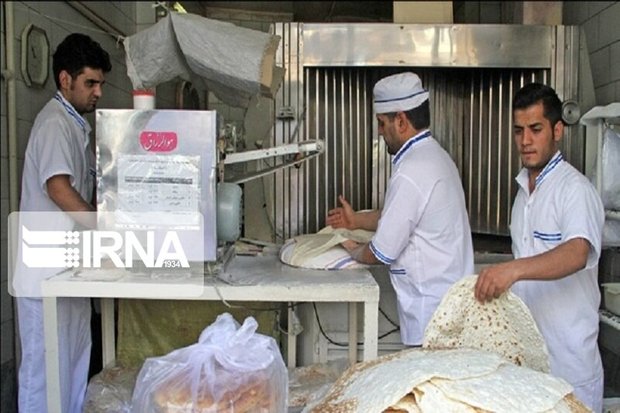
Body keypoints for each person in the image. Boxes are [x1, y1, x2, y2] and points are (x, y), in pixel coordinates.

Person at [474, 83, 605, 412]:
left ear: (557, 130)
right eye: (519, 131)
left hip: (570, 367)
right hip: (529, 364)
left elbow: (577, 252)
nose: (526, 141)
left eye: (536, 129)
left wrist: (513, 270)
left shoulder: (574, 190)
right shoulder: (523, 195)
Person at [327, 72, 474, 346]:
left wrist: (351, 250)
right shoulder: (435, 156)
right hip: (448, 314)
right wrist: (355, 219)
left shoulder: (412, 170)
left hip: (431, 318)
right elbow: (401, 217)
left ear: (402, 120)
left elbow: (382, 251)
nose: (380, 131)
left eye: (382, 124)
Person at [15, 33, 111, 412]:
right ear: (64, 80)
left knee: (71, 370)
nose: (99, 92)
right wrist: (107, 230)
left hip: (68, 273)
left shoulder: (74, 126)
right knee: (44, 377)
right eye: (90, 83)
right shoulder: (54, 123)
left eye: (100, 83)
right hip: (44, 276)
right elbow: (58, 188)